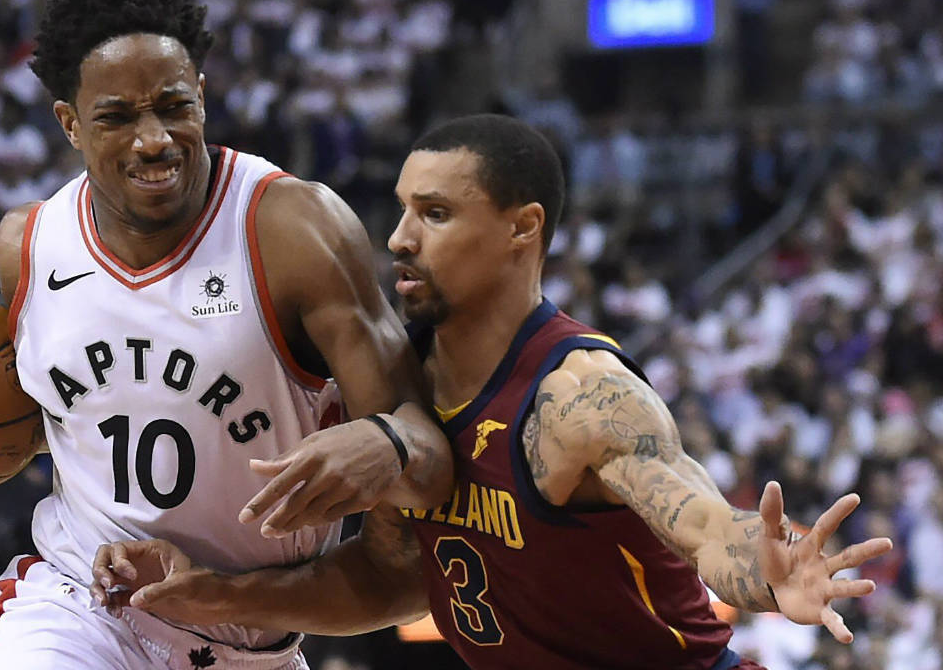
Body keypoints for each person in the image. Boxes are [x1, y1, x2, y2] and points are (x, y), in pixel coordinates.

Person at [0, 0, 451, 670]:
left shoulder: (292, 229)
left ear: (202, 96)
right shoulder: (28, 245)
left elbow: (413, 523)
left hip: (253, 636)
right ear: (70, 123)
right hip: (77, 607)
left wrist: (391, 444)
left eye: (173, 106)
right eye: (117, 116)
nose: (154, 139)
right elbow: (43, 421)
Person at [92, 115, 896, 669]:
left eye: (435, 213)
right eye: (402, 210)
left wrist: (767, 574)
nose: (400, 237)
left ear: (523, 229)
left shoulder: (581, 396)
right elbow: (391, 581)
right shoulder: (396, 379)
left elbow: (707, 531)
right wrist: (214, 598)